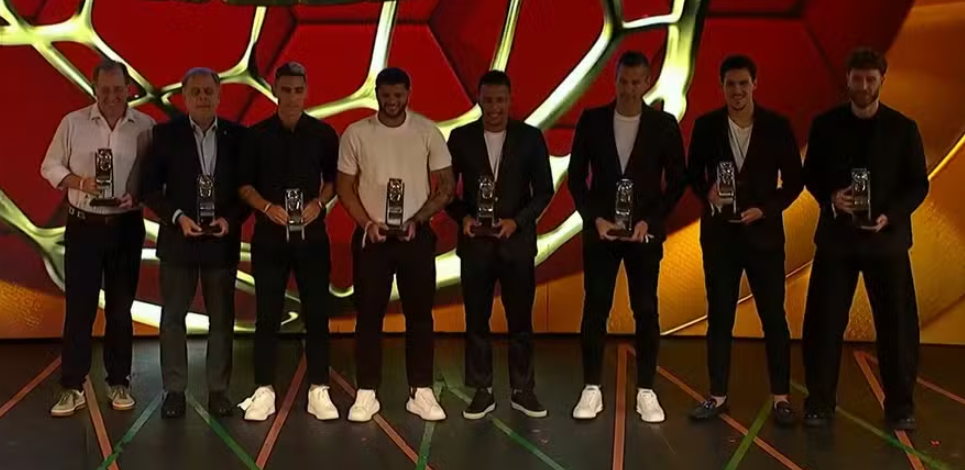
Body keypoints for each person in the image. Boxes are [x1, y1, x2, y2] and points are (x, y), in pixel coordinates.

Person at [801, 48, 928, 430]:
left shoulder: (904, 128)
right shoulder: (825, 125)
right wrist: (831, 198)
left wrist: (890, 215)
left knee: (897, 327)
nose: (863, 85)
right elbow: (811, 174)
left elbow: (918, 184)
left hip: (886, 243)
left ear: (881, 80)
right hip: (837, 241)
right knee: (823, 324)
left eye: (871, 79)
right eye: (857, 78)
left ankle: (901, 406)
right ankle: (819, 403)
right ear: (848, 79)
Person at [567, 51, 687, 423]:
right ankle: (591, 388)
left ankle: (646, 390)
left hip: (642, 236)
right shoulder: (592, 120)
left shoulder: (664, 124)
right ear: (614, 79)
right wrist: (595, 219)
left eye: (636, 82)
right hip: (602, 234)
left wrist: (651, 221)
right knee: (595, 307)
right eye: (624, 81)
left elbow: (677, 181)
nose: (630, 89)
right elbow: (576, 179)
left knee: (646, 309)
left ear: (647, 82)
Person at [686, 55, 803, 426]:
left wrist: (765, 210)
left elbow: (795, 182)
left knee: (774, 319)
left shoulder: (777, 126)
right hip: (720, 237)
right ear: (721, 86)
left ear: (755, 84)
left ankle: (781, 398)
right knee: (719, 318)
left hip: (764, 238)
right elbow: (691, 174)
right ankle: (717, 396)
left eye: (743, 83)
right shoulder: (706, 126)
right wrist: (707, 192)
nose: (737, 90)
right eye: (730, 84)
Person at [336, 67, 454, 423]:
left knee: (420, 316)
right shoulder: (356, 133)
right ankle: (367, 392)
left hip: (415, 237)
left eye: (398, 95)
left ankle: (421, 390)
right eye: (386, 95)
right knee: (368, 317)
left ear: (408, 93)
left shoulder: (427, 131)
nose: (392, 101)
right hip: (372, 238)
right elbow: (344, 187)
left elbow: (446, 186)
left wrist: (417, 220)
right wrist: (366, 224)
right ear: (376, 93)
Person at [41, 59, 156, 417]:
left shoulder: (146, 126)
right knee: (80, 309)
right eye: (105, 90)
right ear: (94, 89)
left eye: (118, 90)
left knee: (121, 310)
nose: (112, 96)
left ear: (128, 90)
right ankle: (72, 386)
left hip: (126, 227)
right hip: (84, 226)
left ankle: (118, 381)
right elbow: (49, 166)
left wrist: (137, 195)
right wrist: (80, 182)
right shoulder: (73, 123)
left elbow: (154, 177)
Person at [140, 67, 249, 419]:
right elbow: (148, 189)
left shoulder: (238, 136)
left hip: (221, 241)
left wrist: (229, 220)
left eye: (208, 91)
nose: (203, 97)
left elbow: (247, 191)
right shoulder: (164, 134)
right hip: (178, 239)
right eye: (196, 92)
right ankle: (174, 391)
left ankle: (218, 390)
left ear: (219, 96)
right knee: (173, 318)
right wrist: (177, 217)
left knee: (222, 320)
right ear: (184, 97)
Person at [445, 70, 554, 420]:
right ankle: (482, 390)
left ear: (510, 100)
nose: (494, 107)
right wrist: (463, 217)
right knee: (476, 320)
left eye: (500, 100)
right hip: (475, 246)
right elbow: (446, 191)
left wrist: (516, 222)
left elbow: (544, 191)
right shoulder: (460, 138)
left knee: (520, 321)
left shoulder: (530, 137)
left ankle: (523, 389)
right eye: (488, 100)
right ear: (479, 100)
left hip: (516, 245)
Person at [236, 62, 340, 422]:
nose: (292, 97)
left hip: (312, 238)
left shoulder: (324, 134)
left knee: (317, 314)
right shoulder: (255, 135)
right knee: (267, 316)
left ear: (306, 91)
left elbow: (333, 181)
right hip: (269, 238)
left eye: (298, 90)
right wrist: (267, 207)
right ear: (274, 90)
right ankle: (264, 389)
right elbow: (243, 185)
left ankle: (319, 389)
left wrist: (318, 204)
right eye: (286, 90)